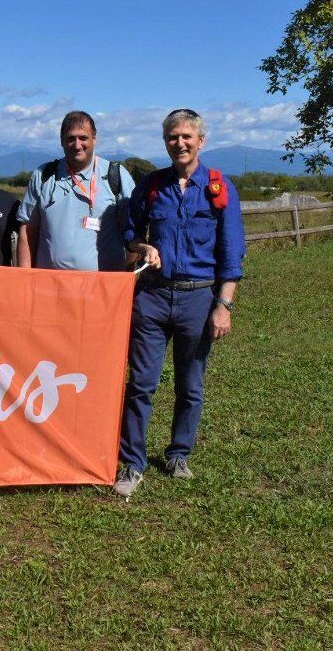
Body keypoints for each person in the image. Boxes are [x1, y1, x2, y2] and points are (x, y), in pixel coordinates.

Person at [113, 109, 246, 499]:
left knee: (191, 384)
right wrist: (142, 247)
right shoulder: (152, 186)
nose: (180, 143)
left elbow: (231, 252)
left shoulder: (220, 188)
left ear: (201, 141)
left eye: (187, 136)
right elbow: (129, 232)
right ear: (165, 141)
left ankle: (178, 454)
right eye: (173, 137)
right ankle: (133, 463)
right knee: (141, 383)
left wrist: (224, 306)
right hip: (152, 295)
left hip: (199, 297)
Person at [16, 110, 136, 273]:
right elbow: (27, 230)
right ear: (62, 141)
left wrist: (125, 277)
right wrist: (24, 278)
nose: (77, 145)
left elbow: (134, 231)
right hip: (50, 286)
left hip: (102, 288)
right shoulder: (43, 175)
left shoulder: (116, 175)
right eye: (71, 139)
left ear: (94, 139)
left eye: (83, 138)